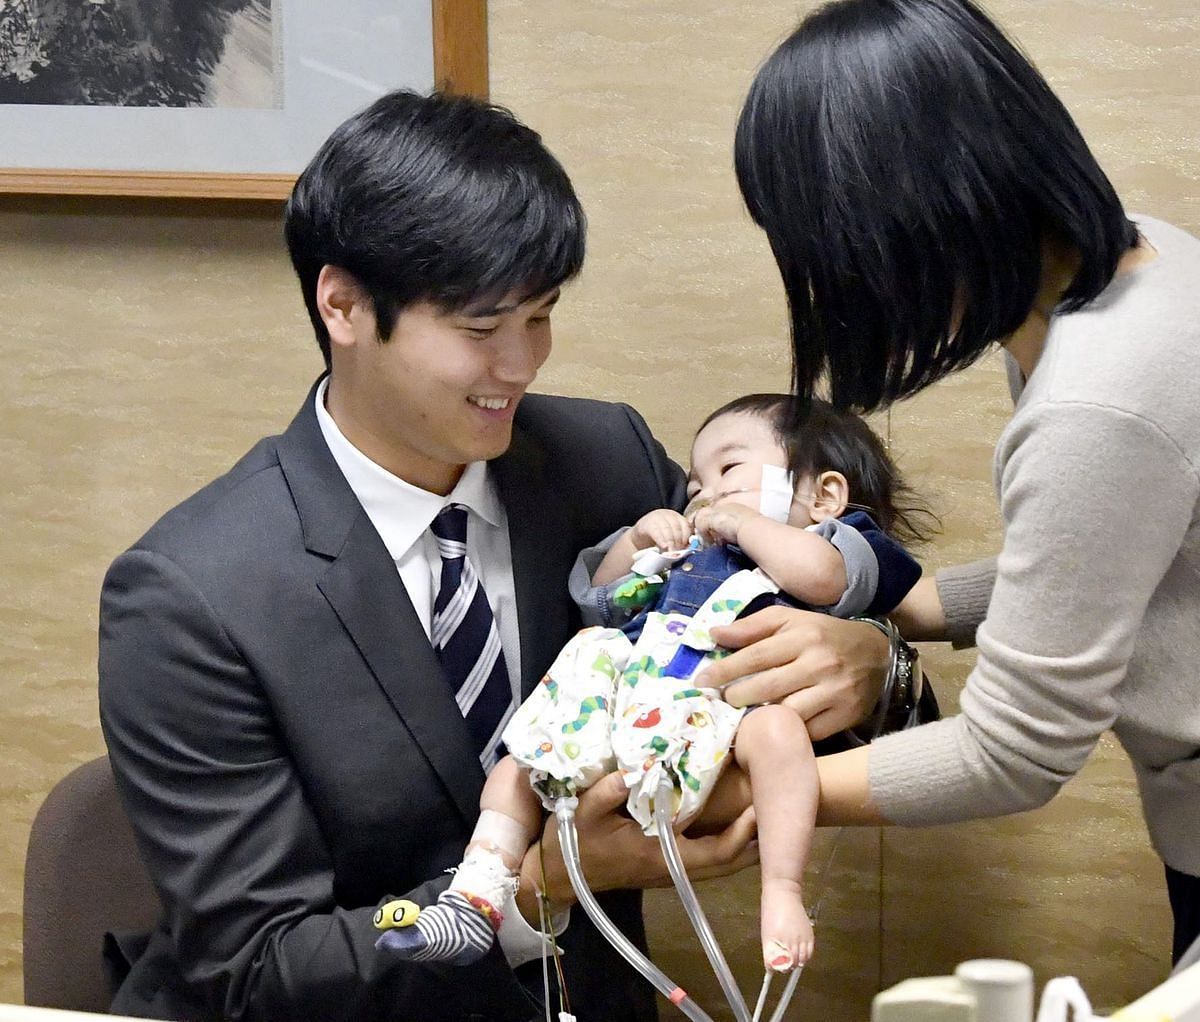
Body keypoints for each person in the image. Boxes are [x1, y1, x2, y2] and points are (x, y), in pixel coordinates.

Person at [96, 89, 762, 1022]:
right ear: (345, 306)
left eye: (542, 316)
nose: (523, 364)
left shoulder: (602, 459)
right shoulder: (193, 596)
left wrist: (874, 666)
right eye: (482, 329)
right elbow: (258, 969)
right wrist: (540, 885)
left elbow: (776, 647)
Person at [712, 0, 1200, 967]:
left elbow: (1015, 752)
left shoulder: (1095, 402)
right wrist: (906, 607)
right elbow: (1104, 558)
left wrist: (749, 795)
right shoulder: (1139, 263)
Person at [374, 393, 931, 975]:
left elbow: (822, 580)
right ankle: (479, 889)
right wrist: (636, 544)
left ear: (824, 497)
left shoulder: (841, 541)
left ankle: (783, 892)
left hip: (725, 714)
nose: (703, 494)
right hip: (637, 710)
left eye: (730, 470)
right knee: (526, 760)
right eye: (694, 483)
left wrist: (746, 524)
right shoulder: (694, 552)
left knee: (777, 735)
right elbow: (602, 604)